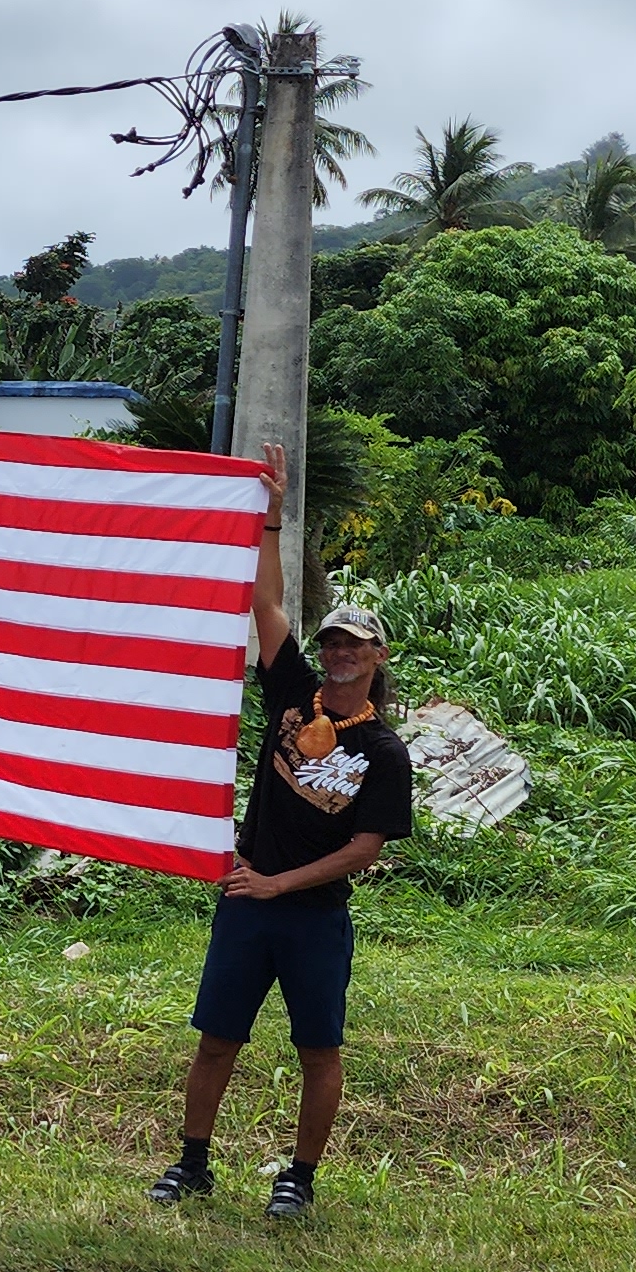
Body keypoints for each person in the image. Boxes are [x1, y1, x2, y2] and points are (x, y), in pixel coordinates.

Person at [152, 443, 411, 1216]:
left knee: (317, 1051)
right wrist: (269, 517)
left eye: (352, 646)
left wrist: (279, 884)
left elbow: (364, 850)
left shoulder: (383, 751)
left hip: (310, 917)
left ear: (376, 657)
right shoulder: (294, 695)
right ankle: (192, 1163)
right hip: (245, 902)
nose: (336, 654)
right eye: (330, 642)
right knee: (216, 1039)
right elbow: (266, 609)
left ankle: (298, 1180)